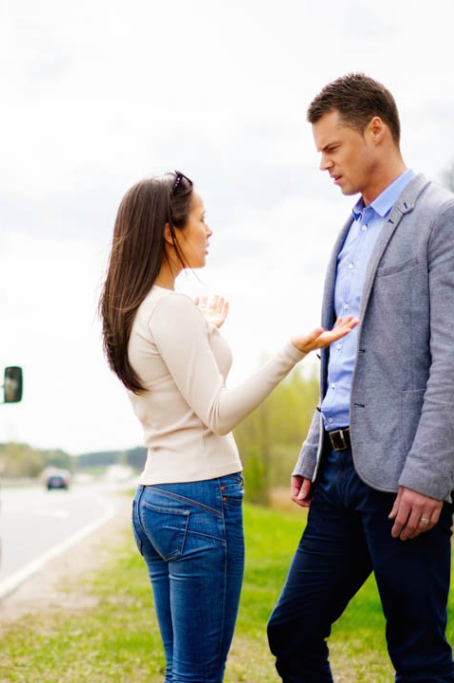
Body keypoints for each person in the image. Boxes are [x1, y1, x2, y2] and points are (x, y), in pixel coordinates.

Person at [266, 73, 454, 682]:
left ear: (376, 130)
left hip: (405, 476)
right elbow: (343, 362)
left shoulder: (446, 218)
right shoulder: (351, 231)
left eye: (331, 147)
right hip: (338, 473)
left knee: (417, 651)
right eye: (319, 151)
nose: (323, 163)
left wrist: (427, 477)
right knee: (291, 629)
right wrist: (313, 447)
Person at [99, 171, 357, 683]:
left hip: (157, 500)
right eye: (200, 218)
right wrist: (293, 352)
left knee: (182, 671)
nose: (209, 230)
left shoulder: (132, 309)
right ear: (168, 232)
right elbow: (216, 414)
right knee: (196, 676)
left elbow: (181, 397)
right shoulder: (170, 310)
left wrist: (206, 332)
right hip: (199, 500)